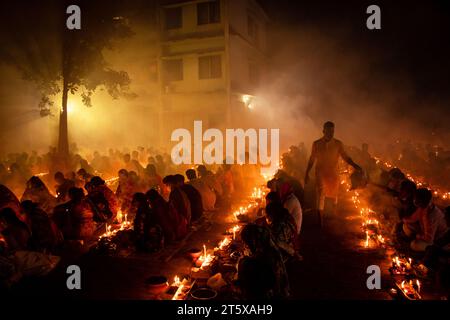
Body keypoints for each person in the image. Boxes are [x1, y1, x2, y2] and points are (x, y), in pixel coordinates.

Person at [304, 121, 361, 227]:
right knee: (321, 195)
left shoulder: (338, 144)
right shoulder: (316, 144)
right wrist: (307, 172)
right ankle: (320, 222)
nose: (331, 133)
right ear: (323, 131)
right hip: (320, 172)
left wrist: (354, 164)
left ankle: (333, 215)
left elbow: (345, 157)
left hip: (333, 173)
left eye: (332, 130)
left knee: (334, 194)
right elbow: (312, 159)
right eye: (329, 130)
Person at [236, 224, 289, 299]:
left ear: (252, 243)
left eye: (246, 243)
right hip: (279, 292)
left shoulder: (250, 263)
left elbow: (244, 286)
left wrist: (241, 263)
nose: (245, 246)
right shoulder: (272, 250)